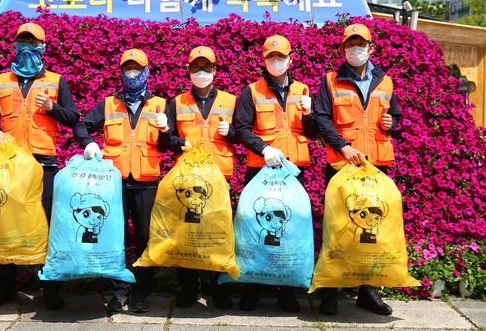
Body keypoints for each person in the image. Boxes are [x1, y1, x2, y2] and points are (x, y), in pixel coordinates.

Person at [0, 22, 80, 310]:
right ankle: (5, 287)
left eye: (32, 41)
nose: (26, 46)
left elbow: (73, 118)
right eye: (21, 41)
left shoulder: (56, 81)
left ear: (42, 46)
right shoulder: (1, 80)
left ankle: (49, 288)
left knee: (47, 225)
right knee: (7, 224)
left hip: (43, 164)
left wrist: (52, 108)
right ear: (15, 46)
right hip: (10, 164)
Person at [314, 23, 401, 316]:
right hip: (342, 165)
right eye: (350, 45)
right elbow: (322, 120)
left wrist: (393, 124)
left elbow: (395, 117)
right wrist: (343, 146)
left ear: (371, 48)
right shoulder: (330, 81)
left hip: (376, 167)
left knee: (371, 229)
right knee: (338, 228)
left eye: (360, 44)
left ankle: (368, 292)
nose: (355, 49)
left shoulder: (386, 81)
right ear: (343, 49)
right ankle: (330, 293)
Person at [72, 48, 165, 314]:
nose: (132, 73)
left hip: (147, 182)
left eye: (137, 68)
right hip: (114, 184)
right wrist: (89, 144)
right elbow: (81, 126)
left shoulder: (160, 104)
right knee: (116, 238)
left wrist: (166, 128)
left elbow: (171, 142)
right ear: (121, 72)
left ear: (147, 71)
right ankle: (119, 291)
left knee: (146, 239)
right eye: (127, 68)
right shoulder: (109, 104)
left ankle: (140, 292)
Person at [233, 34, 318, 312]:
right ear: (264, 60)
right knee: (256, 228)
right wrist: (263, 148)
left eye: (281, 57)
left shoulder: (303, 90)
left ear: (290, 59)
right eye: (271, 57)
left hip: (293, 173)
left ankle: (288, 292)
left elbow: (314, 133)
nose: (276, 61)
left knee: (291, 229)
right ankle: (251, 290)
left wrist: (308, 115)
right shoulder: (251, 91)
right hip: (261, 172)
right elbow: (242, 129)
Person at [156, 46, 237, 310]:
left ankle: (219, 289)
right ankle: (189, 288)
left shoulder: (231, 100)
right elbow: (165, 140)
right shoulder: (177, 102)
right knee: (187, 234)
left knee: (219, 234)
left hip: (218, 178)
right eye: (196, 67)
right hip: (189, 180)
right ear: (189, 71)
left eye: (206, 67)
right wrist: (177, 138)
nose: (201, 72)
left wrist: (232, 131)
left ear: (215, 70)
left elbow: (246, 133)